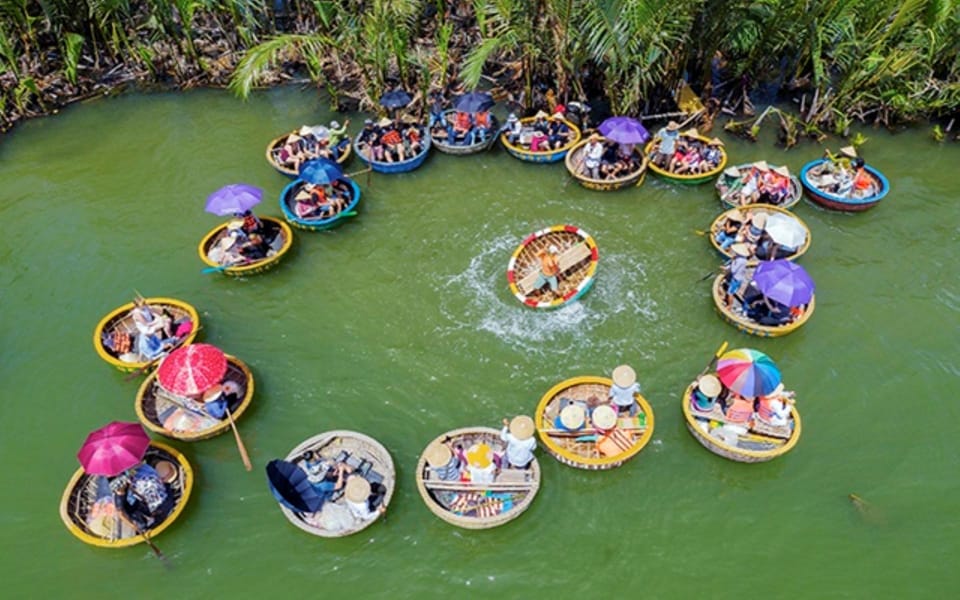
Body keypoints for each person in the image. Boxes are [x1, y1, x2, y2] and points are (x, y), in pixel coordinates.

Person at [111, 463, 173, 530]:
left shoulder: (134, 482)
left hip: (160, 506)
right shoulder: (145, 468)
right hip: (166, 498)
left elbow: (120, 512)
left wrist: (133, 526)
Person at [724, 243, 752, 310]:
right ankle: (726, 299)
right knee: (730, 290)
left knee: (730, 292)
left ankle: (730, 305)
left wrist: (732, 263)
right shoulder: (743, 259)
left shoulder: (739, 260)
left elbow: (733, 270)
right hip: (739, 278)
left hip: (736, 279)